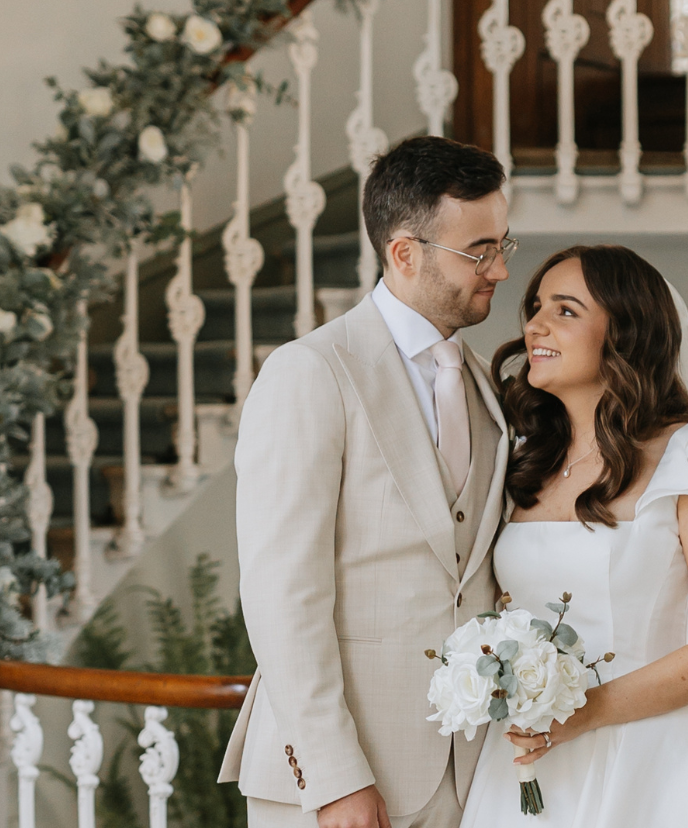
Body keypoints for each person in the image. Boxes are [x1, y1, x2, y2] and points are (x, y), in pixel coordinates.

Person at [220, 135, 517, 828]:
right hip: (340, 785)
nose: (500, 269)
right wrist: (334, 777)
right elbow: (282, 594)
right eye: (479, 251)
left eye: (504, 243)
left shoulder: (483, 384)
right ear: (405, 254)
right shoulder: (311, 372)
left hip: (467, 775)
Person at [464, 244, 688, 827]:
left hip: (652, 758)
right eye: (536, 307)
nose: (534, 324)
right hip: (524, 761)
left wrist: (583, 713)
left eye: (566, 310)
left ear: (625, 333)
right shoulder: (525, 461)